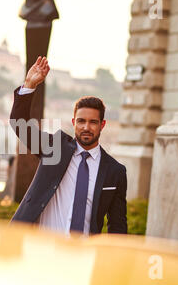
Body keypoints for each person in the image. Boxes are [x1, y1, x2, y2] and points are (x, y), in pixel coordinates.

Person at [10, 56, 127, 235]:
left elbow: (117, 226)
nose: (86, 127)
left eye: (93, 122)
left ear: (102, 125)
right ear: (73, 122)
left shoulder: (114, 171)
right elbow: (20, 125)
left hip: (82, 256)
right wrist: (29, 85)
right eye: (81, 121)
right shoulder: (54, 148)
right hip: (40, 249)